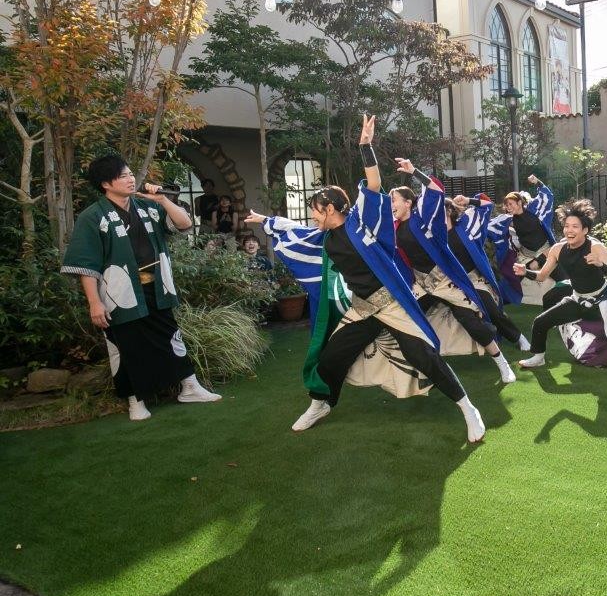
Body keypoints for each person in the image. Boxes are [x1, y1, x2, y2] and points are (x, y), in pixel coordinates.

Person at [245, 115, 486, 441]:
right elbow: (295, 231)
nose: (312, 215)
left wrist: (365, 147)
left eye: (315, 209)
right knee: (330, 357)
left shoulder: (361, 223)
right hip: (362, 308)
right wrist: (265, 221)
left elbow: (373, 186)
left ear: (331, 209)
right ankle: (321, 404)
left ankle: (468, 409)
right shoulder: (325, 238)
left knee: (423, 356)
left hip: (392, 303)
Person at [61, 154, 221, 421]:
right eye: (122, 175)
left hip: (157, 287)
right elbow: (87, 264)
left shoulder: (148, 206)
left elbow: (184, 223)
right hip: (119, 292)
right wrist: (94, 302)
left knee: (171, 336)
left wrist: (163, 200)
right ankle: (136, 400)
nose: (130, 179)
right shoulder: (93, 216)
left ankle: (190, 387)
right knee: (126, 345)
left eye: (130, 174)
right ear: (105, 184)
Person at [386, 160, 517, 384]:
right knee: (405, 318)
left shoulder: (423, 218)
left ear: (408, 203)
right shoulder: (394, 227)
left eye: (394, 200)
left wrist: (414, 171)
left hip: (444, 279)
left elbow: (436, 190)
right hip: (420, 283)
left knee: (469, 319)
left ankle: (501, 363)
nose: (391, 205)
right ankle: (422, 368)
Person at [515, 199, 607, 377]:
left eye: (575, 226)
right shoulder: (557, 249)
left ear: (585, 230)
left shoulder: (595, 247)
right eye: (567, 226)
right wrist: (525, 272)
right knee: (541, 321)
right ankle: (538, 357)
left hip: (603, 299)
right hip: (578, 298)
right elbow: (542, 276)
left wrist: (600, 264)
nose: (569, 230)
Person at [449, 192, 531, 351]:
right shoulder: (432, 233)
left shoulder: (466, 225)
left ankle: (518, 337)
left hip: (474, 278)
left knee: (492, 310)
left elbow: (487, 205)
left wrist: (467, 200)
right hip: (449, 283)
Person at [487, 175, 560, 303]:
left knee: (560, 274)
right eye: (506, 205)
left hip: (546, 250)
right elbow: (487, 225)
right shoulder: (508, 219)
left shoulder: (533, 209)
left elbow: (547, 196)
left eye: (510, 204)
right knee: (513, 277)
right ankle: (498, 299)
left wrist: (537, 182)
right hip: (526, 255)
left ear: (519, 202)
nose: (508, 207)